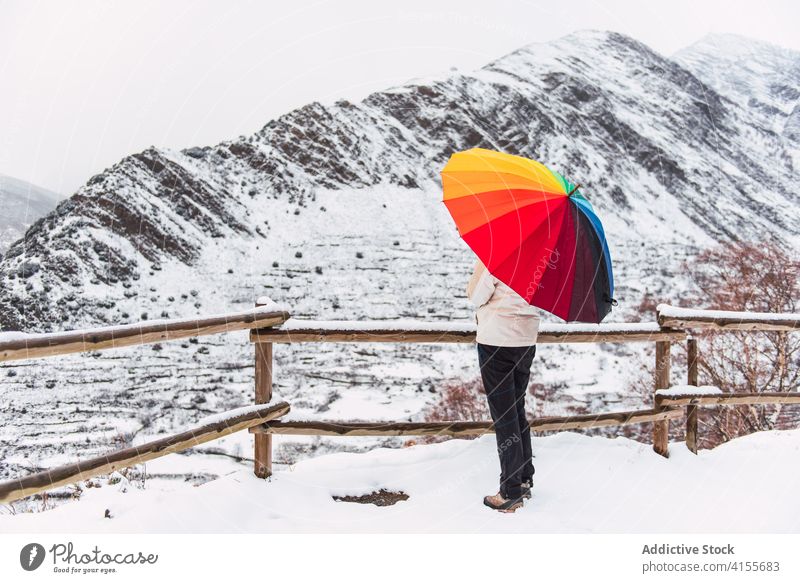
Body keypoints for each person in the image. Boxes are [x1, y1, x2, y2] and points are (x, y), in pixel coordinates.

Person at [466, 258, 541, 513]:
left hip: (496, 341)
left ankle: (510, 491)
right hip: (526, 341)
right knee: (517, 410)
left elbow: (476, 296)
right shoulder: (546, 258)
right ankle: (524, 478)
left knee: (504, 417)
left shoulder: (500, 253)